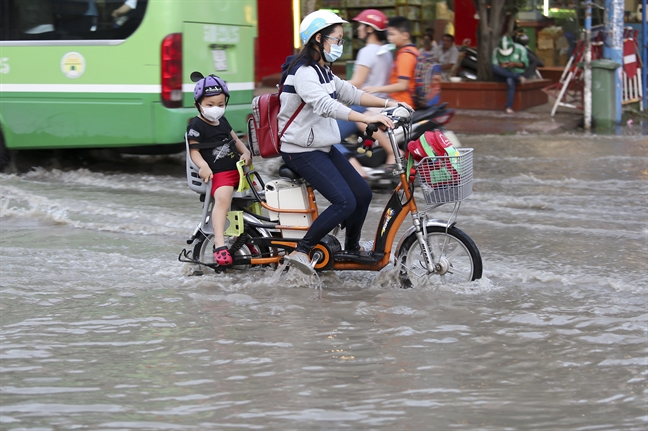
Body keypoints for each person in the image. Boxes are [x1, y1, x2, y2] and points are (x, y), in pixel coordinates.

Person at [278, 10, 400, 272]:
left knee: (363, 193)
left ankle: (351, 249)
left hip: (322, 146)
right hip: (300, 150)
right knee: (344, 201)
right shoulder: (303, 72)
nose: (340, 45)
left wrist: (391, 103)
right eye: (337, 40)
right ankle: (302, 250)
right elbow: (326, 105)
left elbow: (350, 93)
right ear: (318, 39)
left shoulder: (323, 71)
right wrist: (366, 119)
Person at [187, 74, 252, 266]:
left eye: (220, 103)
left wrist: (246, 152)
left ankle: (249, 238)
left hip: (237, 172)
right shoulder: (196, 125)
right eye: (210, 104)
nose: (216, 108)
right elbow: (194, 152)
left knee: (255, 201)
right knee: (223, 199)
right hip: (219, 175)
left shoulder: (223, 121)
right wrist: (203, 166)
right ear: (197, 104)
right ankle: (219, 243)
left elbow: (236, 140)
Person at [337, 8, 397, 169]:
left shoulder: (367, 51)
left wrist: (331, 86)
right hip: (380, 103)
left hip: (363, 106)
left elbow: (357, 83)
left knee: (329, 136)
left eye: (361, 25)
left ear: (370, 29)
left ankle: (357, 170)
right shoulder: (385, 51)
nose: (358, 29)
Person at [363, 16, 419, 109]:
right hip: (401, 100)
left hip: (401, 102)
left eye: (392, 34)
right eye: (388, 34)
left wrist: (375, 89)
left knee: (364, 119)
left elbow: (402, 85)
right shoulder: (413, 50)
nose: (389, 38)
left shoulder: (405, 55)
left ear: (405, 35)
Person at [492, 35, 529, 114]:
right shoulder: (496, 51)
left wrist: (515, 64)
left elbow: (525, 65)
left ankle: (508, 106)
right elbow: (494, 65)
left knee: (510, 80)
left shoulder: (520, 49)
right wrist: (501, 65)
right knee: (494, 68)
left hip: (516, 71)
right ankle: (518, 77)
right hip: (502, 74)